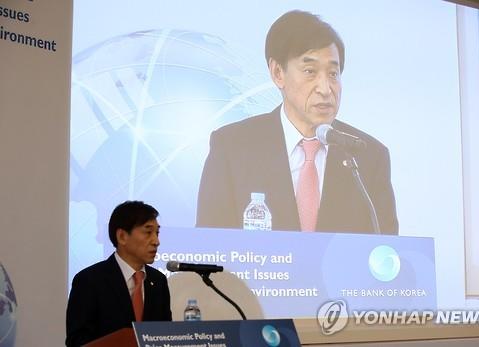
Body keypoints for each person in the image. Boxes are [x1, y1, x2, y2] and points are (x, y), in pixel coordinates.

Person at [196, 10, 398, 234]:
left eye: (333, 73)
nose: (325, 88)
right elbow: (209, 249)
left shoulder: (369, 156)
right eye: (310, 71)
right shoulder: (232, 147)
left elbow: (385, 253)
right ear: (278, 72)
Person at [66, 201, 172, 346]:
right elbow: (77, 340)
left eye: (157, 233)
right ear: (122, 236)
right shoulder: (89, 280)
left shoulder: (158, 281)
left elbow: (165, 335)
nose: (156, 241)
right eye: (148, 232)